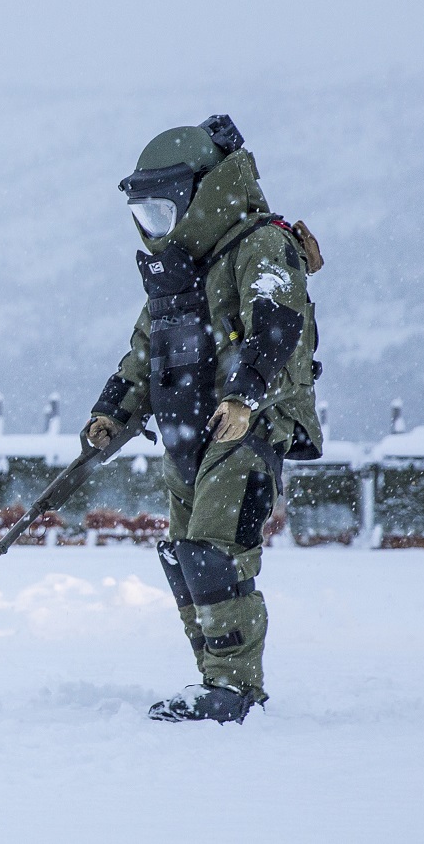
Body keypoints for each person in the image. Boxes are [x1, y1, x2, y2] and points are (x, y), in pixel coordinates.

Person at [85, 115, 323, 724]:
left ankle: (236, 690)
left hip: (249, 423)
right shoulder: (176, 272)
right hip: (186, 427)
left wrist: (244, 399)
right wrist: (111, 413)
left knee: (218, 550)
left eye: (164, 212)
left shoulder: (262, 246)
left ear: (203, 195)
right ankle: (214, 681)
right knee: (188, 556)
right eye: (146, 216)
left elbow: (276, 325)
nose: (156, 230)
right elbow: (145, 352)